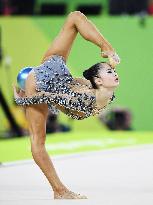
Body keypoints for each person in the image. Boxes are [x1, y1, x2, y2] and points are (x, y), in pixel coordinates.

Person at [13, 11, 120, 199]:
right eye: (109, 72)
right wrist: (23, 99)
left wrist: (71, 81)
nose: (114, 74)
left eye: (111, 71)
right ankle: (59, 190)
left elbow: (77, 82)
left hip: (58, 72)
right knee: (38, 141)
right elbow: (50, 96)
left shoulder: (101, 92)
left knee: (75, 17)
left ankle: (59, 190)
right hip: (40, 82)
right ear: (100, 81)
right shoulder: (83, 99)